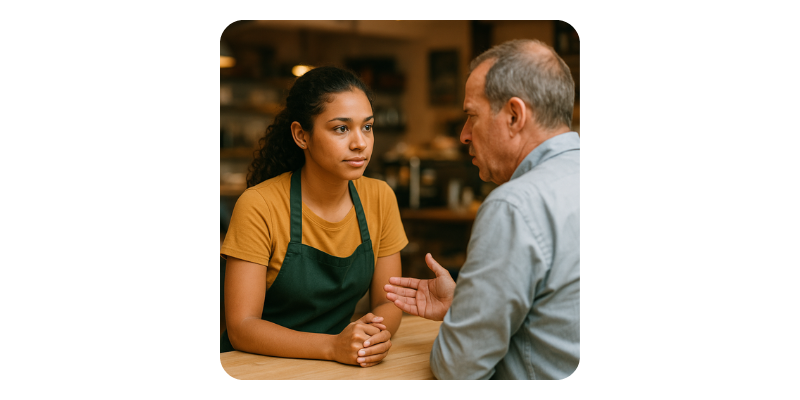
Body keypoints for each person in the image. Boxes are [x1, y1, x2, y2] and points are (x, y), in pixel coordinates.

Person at [384, 39, 580, 379]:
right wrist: (469, 305)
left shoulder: (515, 206)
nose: (464, 135)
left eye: (471, 116)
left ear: (514, 116)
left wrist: (465, 324)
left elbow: (457, 368)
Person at [220, 66, 408, 369]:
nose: (360, 143)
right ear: (301, 135)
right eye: (341, 128)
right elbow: (242, 326)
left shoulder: (380, 197)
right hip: (255, 367)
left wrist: (369, 339)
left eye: (367, 127)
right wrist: (332, 347)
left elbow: (388, 302)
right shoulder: (258, 206)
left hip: (334, 366)